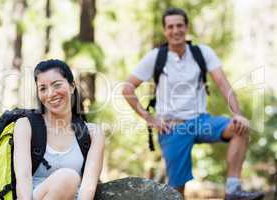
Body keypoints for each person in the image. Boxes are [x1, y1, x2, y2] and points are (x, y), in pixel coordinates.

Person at [122, 7, 264, 200]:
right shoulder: (156, 57)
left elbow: (223, 84)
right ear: (165, 31)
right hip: (173, 128)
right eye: (170, 26)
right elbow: (127, 88)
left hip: (201, 121)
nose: (175, 30)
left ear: (187, 27)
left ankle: (233, 189)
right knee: (176, 192)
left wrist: (237, 113)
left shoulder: (202, 53)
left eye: (180, 25)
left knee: (240, 128)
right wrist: (150, 119)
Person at [14, 59, 104, 200]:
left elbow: (89, 185)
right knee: (68, 178)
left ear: (72, 86)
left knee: (69, 178)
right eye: (43, 88)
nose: (50, 94)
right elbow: (23, 178)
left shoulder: (93, 133)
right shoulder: (25, 125)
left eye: (57, 85)